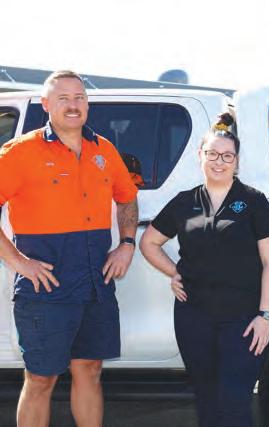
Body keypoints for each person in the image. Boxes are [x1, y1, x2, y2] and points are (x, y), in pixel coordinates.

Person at [0, 70, 139, 427]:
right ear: (46, 104)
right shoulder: (20, 152)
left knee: (90, 369)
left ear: (87, 104)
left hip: (95, 284)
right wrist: (18, 261)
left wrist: (126, 244)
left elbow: (127, 197)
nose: (73, 105)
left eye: (79, 97)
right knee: (41, 379)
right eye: (63, 98)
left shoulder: (103, 149)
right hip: (46, 288)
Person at [139, 112, 269, 427]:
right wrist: (174, 272)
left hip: (243, 319)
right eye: (212, 154)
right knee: (206, 401)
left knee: (234, 402)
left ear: (237, 162)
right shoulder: (184, 202)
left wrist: (266, 316)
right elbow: (148, 242)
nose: (219, 161)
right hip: (193, 317)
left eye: (227, 156)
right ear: (200, 156)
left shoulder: (254, 202)